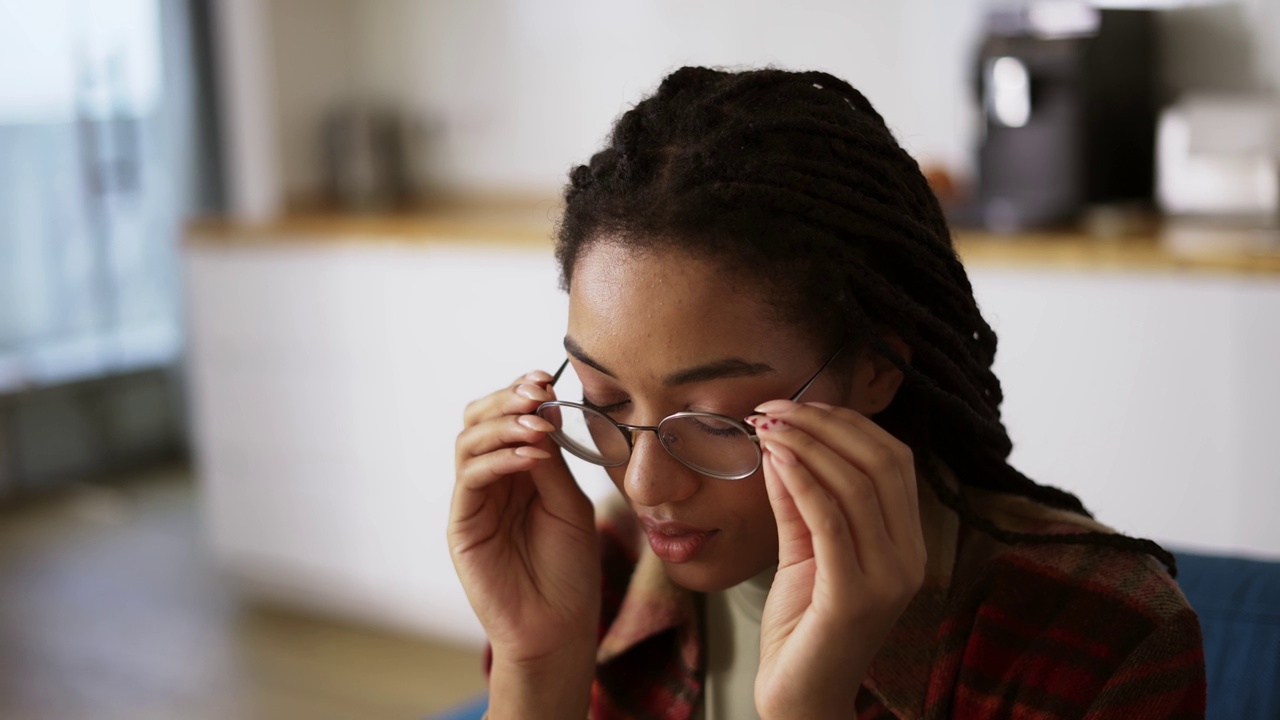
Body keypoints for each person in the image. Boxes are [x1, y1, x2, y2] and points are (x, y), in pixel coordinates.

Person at [449, 67, 1205, 720]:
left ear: (876, 369)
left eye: (714, 421)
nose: (644, 484)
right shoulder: (595, 566)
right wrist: (536, 670)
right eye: (604, 401)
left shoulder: (1103, 642)